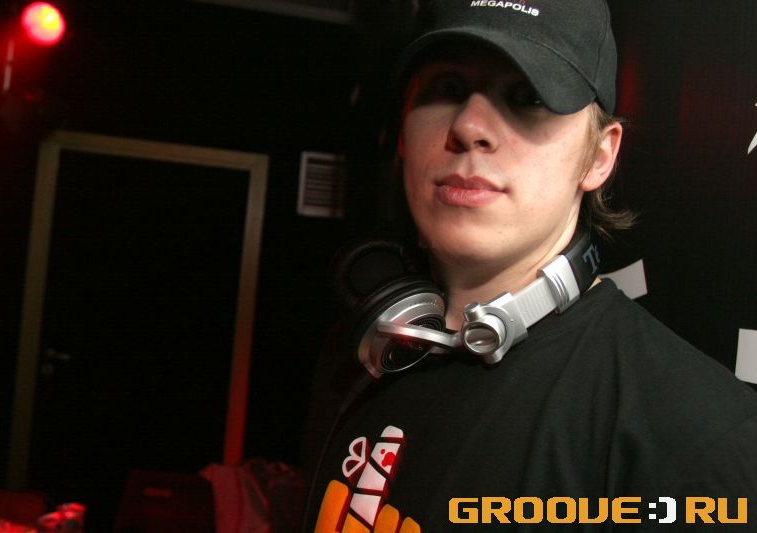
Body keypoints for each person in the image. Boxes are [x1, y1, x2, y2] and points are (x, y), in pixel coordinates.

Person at [304, 0, 757, 531]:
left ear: (599, 156)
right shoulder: (363, 353)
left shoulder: (695, 437)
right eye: (447, 87)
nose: (469, 126)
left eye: (528, 96)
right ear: (403, 132)